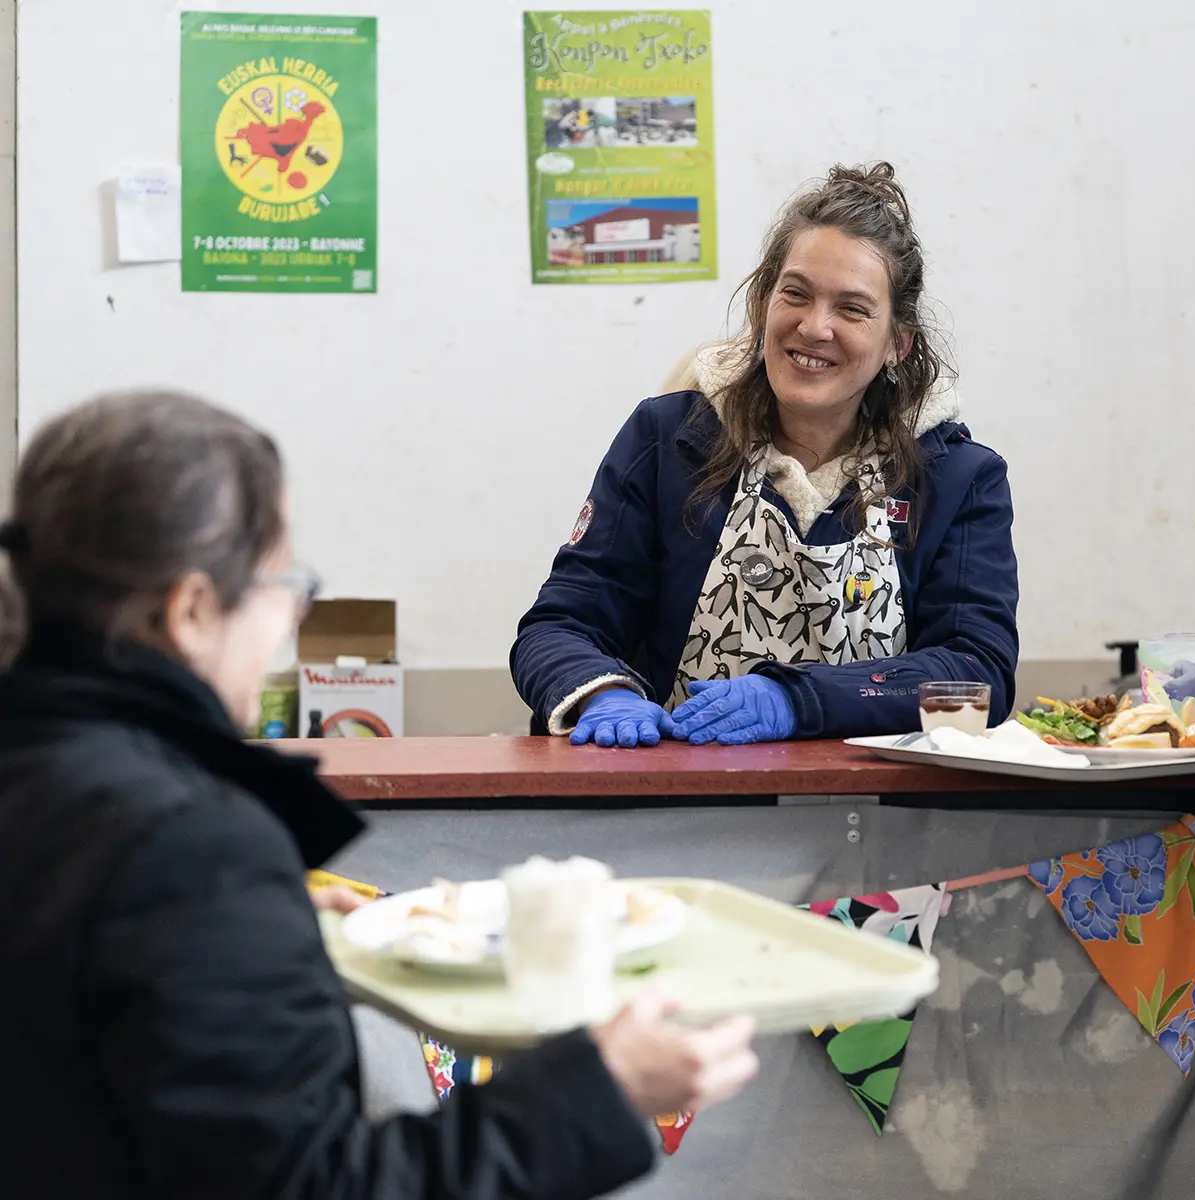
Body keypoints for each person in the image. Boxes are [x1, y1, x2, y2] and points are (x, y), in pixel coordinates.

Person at [0, 391, 759, 1198]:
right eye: (283, 584)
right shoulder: (192, 848)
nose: (289, 619)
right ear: (190, 611)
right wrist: (596, 1093)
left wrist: (253, 938)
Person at [512, 162, 1019, 747]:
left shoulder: (958, 478)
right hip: (681, 792)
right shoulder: (670, 440)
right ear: (762, 303)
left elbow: (977, 674)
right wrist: (602, 692)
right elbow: (559, 625)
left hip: (877, 802)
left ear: (897, 344)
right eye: (795, 294)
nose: (815, 327)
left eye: (852, 309)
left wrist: (798, 699)